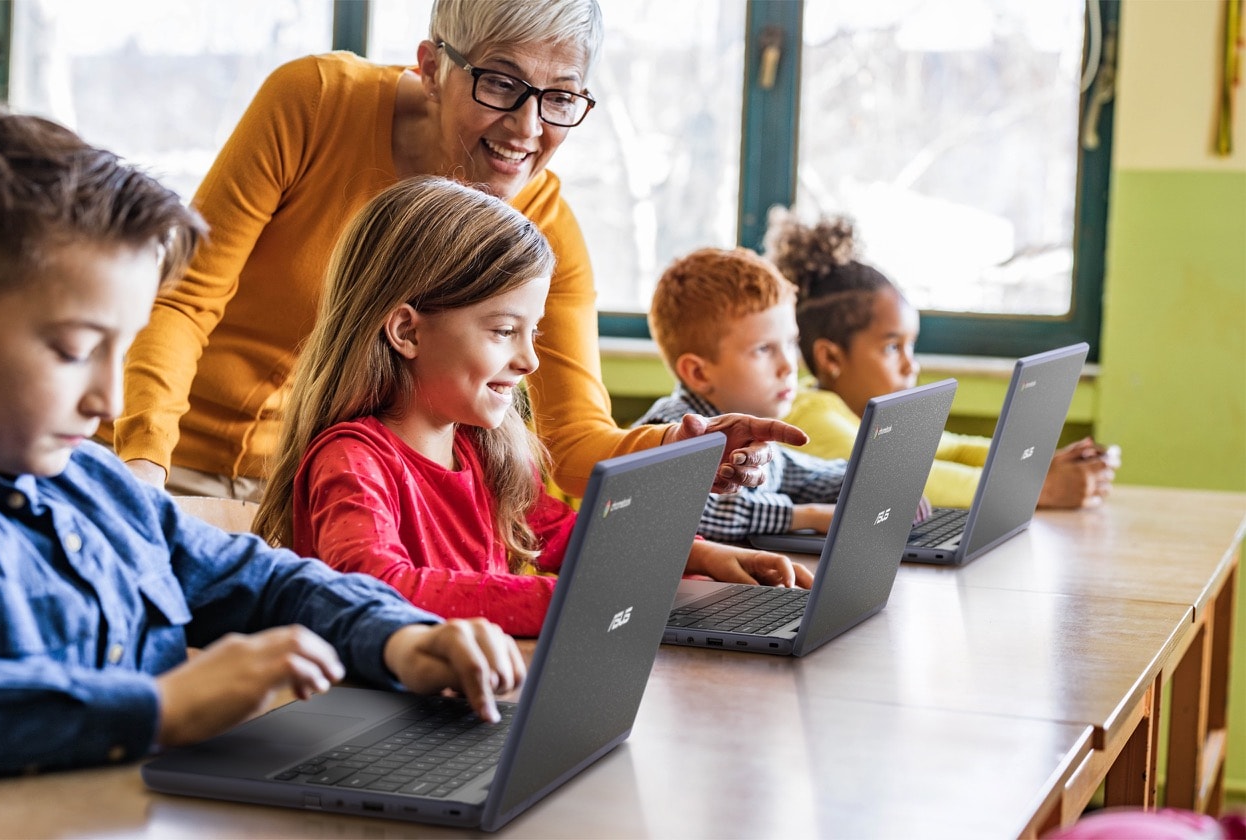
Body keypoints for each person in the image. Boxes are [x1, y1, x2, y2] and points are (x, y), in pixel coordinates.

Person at [0, 111, 525, 784]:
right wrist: (154, 710)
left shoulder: (94, 482)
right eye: (74, 351)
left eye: (122, 352)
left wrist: (400, 640)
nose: (111, 402)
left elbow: (263, 581)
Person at [106, 0, 805, 505]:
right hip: (168, 466)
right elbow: (183, 299)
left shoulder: (545, 229)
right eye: (500, 83)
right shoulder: (313, 102)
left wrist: (684, 450)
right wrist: (142, 466)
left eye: (560, 98)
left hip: (315, 497)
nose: (528, 127)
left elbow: (573, 439)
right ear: (432, 65)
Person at [252, 177, 812, 637]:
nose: (528, 361)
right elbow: (375, 585)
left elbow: (566, 536)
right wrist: (563, 601)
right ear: (406, 330)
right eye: (502, 330)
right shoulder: (354, 460)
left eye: (533, 333)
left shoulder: (479, 449)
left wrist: (703, 556)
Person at [764, 209, 1118, 510]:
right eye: (892, 348)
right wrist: (1041, 487)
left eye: (911, 347)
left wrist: (1037, 463)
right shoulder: (811, 418)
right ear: (830, 357)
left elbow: (955, 450)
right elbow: (896, 483)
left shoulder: (863, 413)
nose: (910, 366)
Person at [635, 247, 846, 541]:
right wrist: (807, 516)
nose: (789, 366)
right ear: (698, 373)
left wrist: (867, 485)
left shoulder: (755, 434)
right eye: (763, 349)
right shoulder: (667, 428)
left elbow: (806, 475)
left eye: (790, 343)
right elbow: (698, 511)